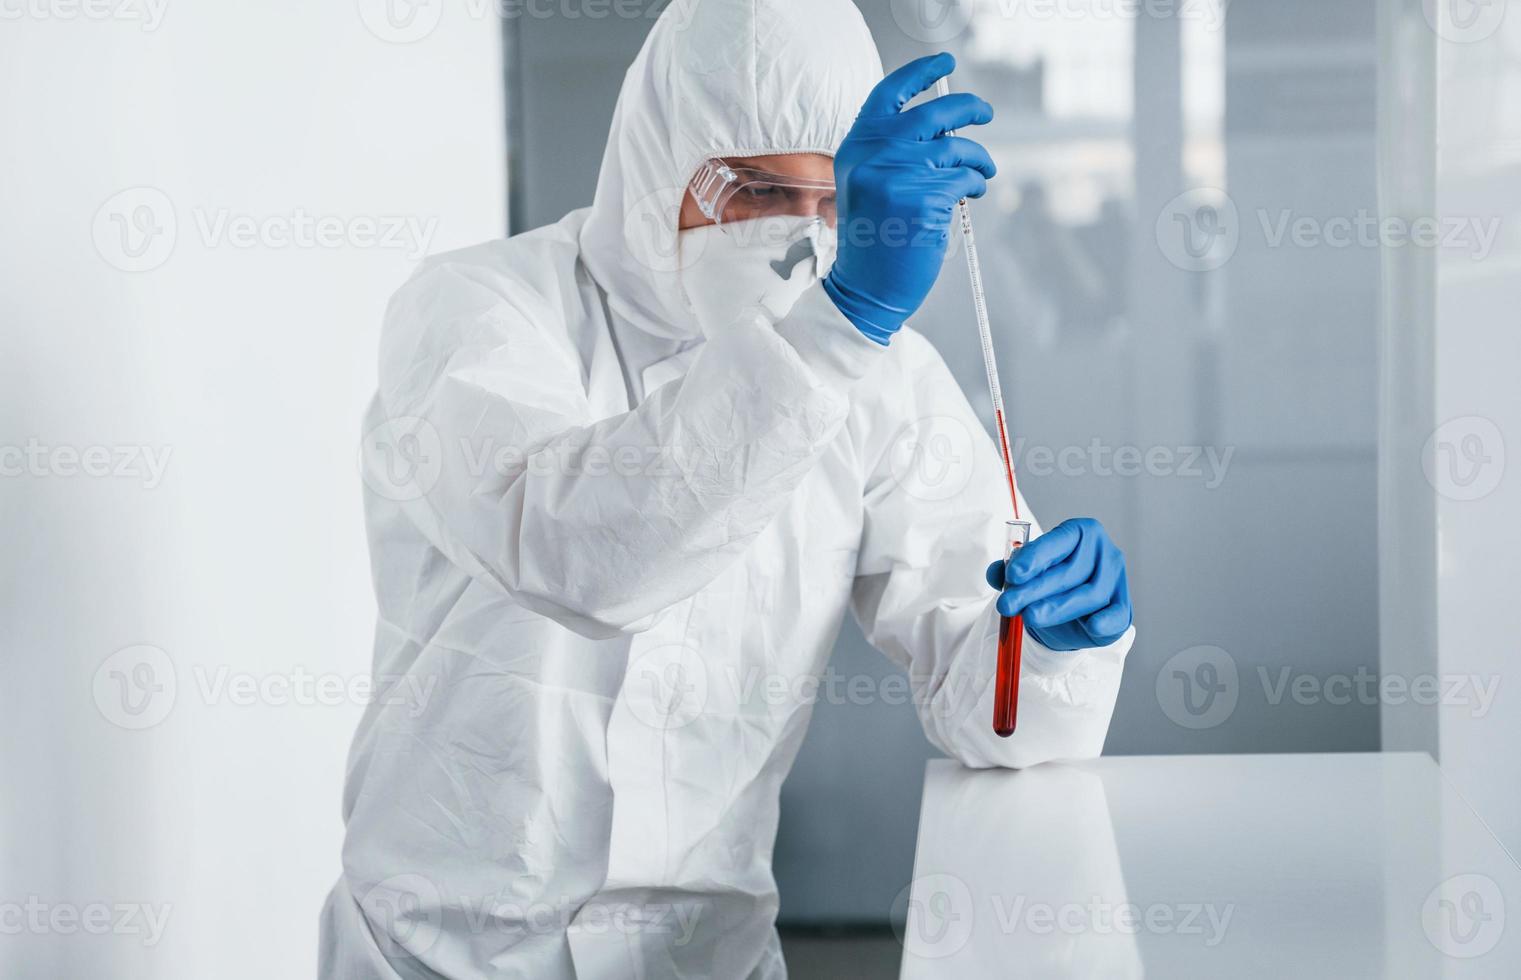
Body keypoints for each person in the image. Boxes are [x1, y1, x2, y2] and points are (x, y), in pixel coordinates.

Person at [321, 0, 1133, 977]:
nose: (794, 237)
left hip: (704, 956)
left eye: (827, 197)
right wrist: (836, 329)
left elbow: (983, 690)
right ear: (657, 159)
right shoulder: (478, 313)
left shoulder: (878, 375)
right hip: (447, 954)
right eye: (749, 190)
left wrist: (1047, 642)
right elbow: (579, 557)